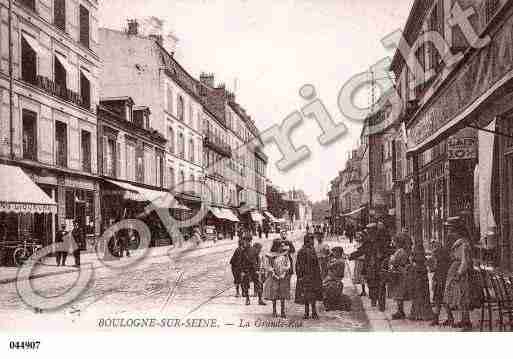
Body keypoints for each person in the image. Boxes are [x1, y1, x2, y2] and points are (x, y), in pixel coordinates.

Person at [442, 217, 479, 331]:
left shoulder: (463, 243)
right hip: (455, 269)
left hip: (460, 272)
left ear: (457, 231)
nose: (449, 232)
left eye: (451, 229)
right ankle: (464, 320)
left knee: (463, 296)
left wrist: (459, 273)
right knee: (459, 296)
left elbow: (465, 261)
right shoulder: (460, 242)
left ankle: (467, 321)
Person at [295, 234, 323, 319]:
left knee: (313, 295)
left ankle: (314, 312)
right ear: (308, 240)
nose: (313, 241)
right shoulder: (302, 251)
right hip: (306, 276)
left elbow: (316, 264)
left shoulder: (312, 249)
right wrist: (300, 275)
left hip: (313, 276)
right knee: (306, 295)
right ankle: (307, 313)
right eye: (312, 240)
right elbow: (298, 265)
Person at [387, 231, 413, 320]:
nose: (392, 242)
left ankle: (400, 311)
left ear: (397, 242)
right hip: (400, 273)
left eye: (394, 241)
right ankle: (400, 311)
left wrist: (391, 259)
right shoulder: (401, 251)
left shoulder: (400, 251)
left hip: (400, 274)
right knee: (398, 294)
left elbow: (395, 262)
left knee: (399, 294)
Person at [263, 241, 292, 318]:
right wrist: (273, 273)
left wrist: (283, 274)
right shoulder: (271, 256)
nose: (281, 248)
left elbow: (288, 265)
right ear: (276, 247)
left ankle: (282, 311)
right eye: (280, 246)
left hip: (283, 277)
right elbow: (268, 266)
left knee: (282, 294)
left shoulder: (285, 256)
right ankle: (274, 311)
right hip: (273, 278)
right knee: (274, 294)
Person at [429, 237, 451, 327]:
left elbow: (432, 268)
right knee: (443, 300)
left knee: (438, 299)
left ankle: (436, 318)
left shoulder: (435, 254)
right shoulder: (445, 254)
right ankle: (449, 318)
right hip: (444, 278)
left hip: (439, 279)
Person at [323, 247, 351, 311]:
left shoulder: (339, 261)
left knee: (326, 288)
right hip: (333, 278)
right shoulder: (337, 260)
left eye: (334, 252)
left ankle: (329, 305)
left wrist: (328, 258)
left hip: (335, 279)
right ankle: (330, 304)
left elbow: (328, 266)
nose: (333, 253)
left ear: (338, 253)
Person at [240, 237, 266, 306]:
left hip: (254, 270)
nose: (245, 243)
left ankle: (260, 299)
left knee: (258, 284)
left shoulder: (254, 250)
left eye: (246, 242)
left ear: (250, 242)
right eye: (245, 242)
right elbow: (241, 262)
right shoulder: (243, 251)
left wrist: (257, 269)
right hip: (246, 270)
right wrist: (242, 271)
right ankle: (247, 299)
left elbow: (258, 260)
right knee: (245, 285)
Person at [352, 231, 367, 297]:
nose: (358, 238)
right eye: (357, 237)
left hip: (362, 262)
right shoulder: (357, 244)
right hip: (357, 262)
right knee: (360, 276)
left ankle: (364, 291)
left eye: (359, 236)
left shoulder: (364, 245)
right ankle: (363, 290)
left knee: (363, 276)